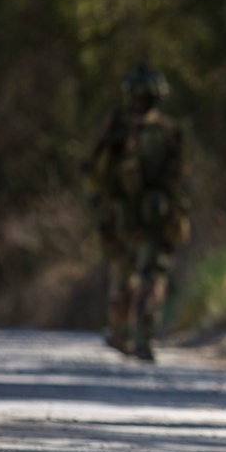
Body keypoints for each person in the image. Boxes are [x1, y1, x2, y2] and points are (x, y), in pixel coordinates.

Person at [82, 63, 190, 363]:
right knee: (148, 276)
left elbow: (93, 169)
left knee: (126, 275)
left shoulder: (118, 126)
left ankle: (124, 335)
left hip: (128, 215)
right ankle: (140, 338)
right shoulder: (167, 130)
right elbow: (178, 176)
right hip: (148, 214)